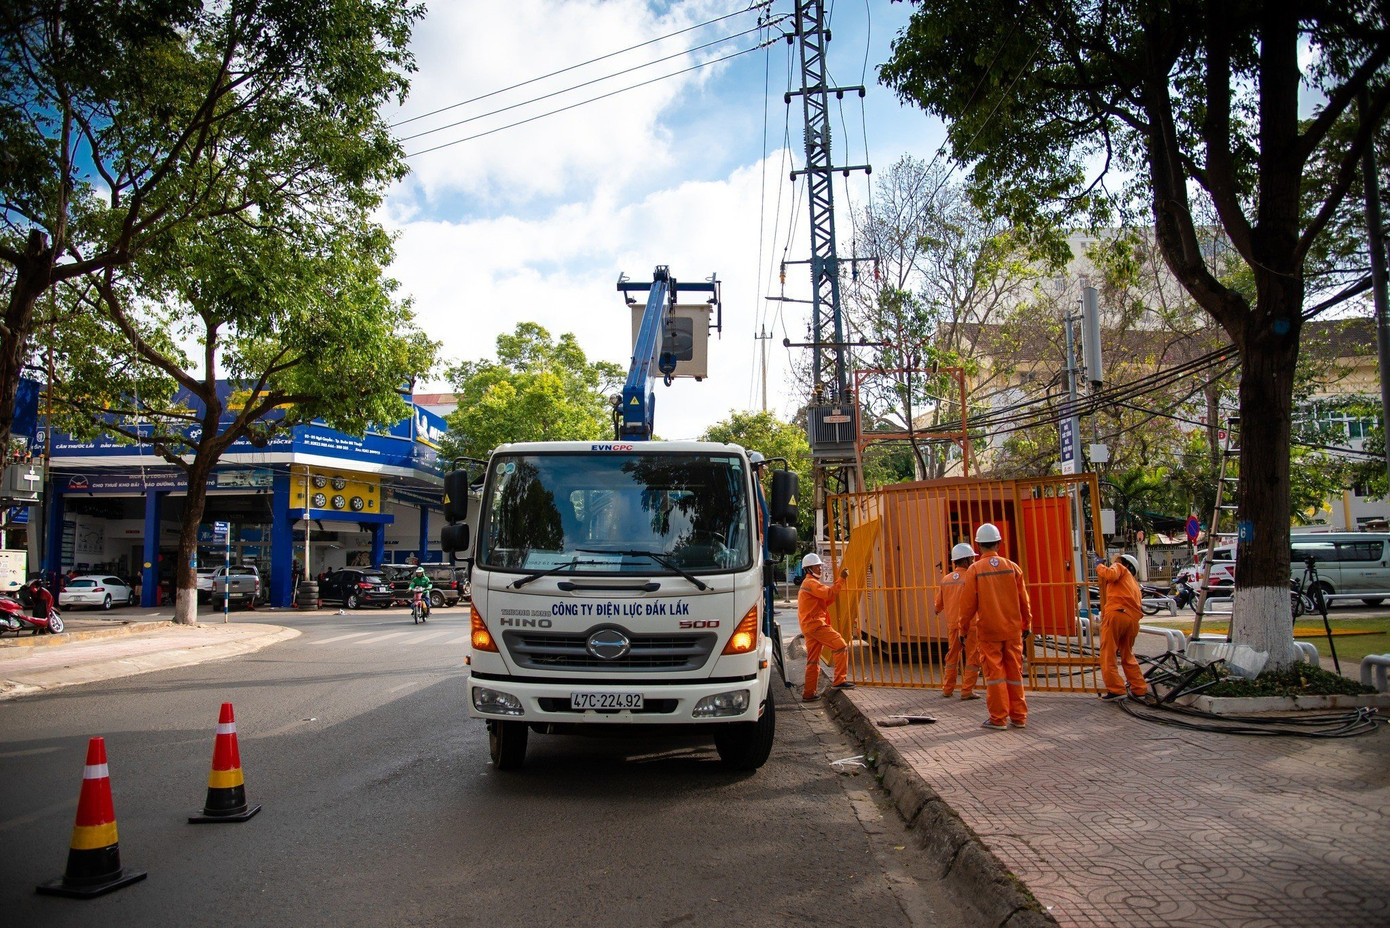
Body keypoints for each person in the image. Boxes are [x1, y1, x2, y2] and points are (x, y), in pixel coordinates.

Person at [959, 523, 1033, 731]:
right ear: (999, 543)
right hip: (1012, 630)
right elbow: (1024, 601)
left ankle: (998, 718)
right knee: (1014, 673)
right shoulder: (1013, 567)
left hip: (989, 631)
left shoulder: (975, 570)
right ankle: (1019, 717)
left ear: (978, 545)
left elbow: (967, 606)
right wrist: (1026, 623)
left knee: (995, 676)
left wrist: (963, 629)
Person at [797, 552, 855, 701]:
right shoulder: (811, 583)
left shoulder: (808, 584)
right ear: (809, 569)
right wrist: (841, 579)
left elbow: (824, 600)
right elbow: (829, 594)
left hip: (809, 627)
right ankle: (839, 680)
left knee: (812, 661)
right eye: (817, 567)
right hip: (816, 625)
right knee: (841, 646)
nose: (820, 569)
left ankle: (809, 694)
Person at [1094, 553, 1150, 700]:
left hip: (1117, 615)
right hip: (1132, 620)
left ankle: (1116, 689)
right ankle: (1139, 689)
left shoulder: (1119, 568)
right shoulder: (1134, 584)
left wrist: (1099, 565)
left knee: (1108, 653)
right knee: (1127, 654)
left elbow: (1110, 575)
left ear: (1124, 563)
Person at [936, 542, 981, 700]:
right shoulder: (972, 577)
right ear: (966, 560)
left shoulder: (946, 579)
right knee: (972, 657)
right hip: (970, 624)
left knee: (952, 656)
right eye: (971, 558)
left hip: (952, 624)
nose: (974, 560)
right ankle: (967, 691)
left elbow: (937, 606)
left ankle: (948, 689)